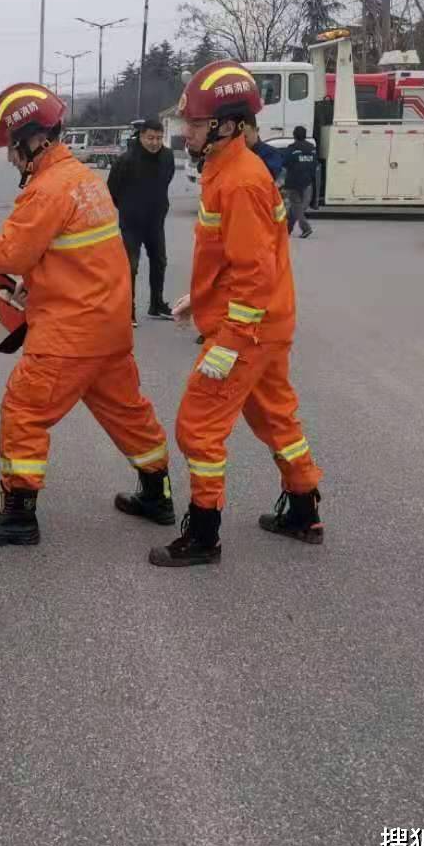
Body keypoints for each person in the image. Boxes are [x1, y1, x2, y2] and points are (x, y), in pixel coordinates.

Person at [0, 82, 177, 547]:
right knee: (127, 412)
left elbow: (13, 253)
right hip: (109, 326)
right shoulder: (84, 179)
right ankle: (158, 494)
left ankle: (18, 514)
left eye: (14, 149)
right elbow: (70, 255)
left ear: (33, 139)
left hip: (70, 332)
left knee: (23, 409)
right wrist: (34, 279)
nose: (12, 159)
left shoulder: (47, 189)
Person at [149, 61, 325, 569]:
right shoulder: (228, 172)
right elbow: (237, 258)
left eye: (197, 125)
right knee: (276, 418)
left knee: (197, 428)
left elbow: (253, 271)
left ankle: (204, 535)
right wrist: (198, 299)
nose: (187, 134)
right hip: (263, 324)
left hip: (247, 329)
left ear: (226, 125)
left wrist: (228, 340)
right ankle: (304, 509)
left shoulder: (240, 181)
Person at [107, 118, 176, 323]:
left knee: (159, 262)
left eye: (158, 138)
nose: (154, 143)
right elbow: (112, 190)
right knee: (131, 266)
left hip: (155, 221)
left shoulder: (167, 156)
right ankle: (128, 310)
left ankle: (157, 304)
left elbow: (167, 180)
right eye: (150, 138)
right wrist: (129, 208)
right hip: (132, 223)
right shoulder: (126, 160)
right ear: (141, 136)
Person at [282, 125, 318, 238]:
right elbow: (315, 164)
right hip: (307, 182)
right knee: (295, 207)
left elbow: (285, 162)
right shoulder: (312, 149)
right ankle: (287, 228)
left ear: (294, 135)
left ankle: (306, 228)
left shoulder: (292, 149)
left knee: (296, 207)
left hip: (293, 182)